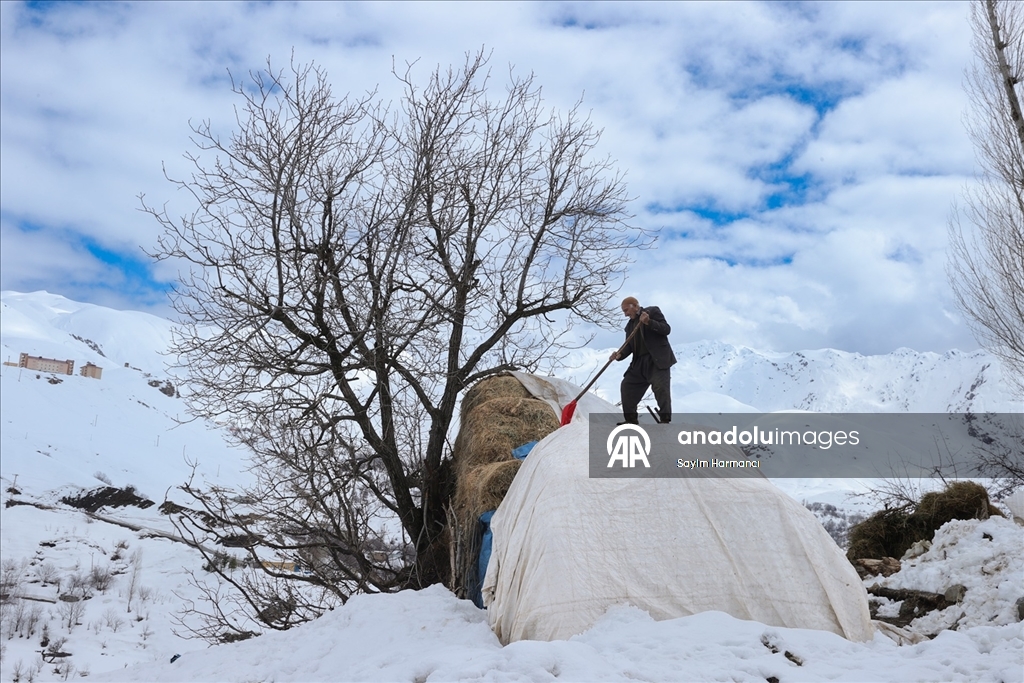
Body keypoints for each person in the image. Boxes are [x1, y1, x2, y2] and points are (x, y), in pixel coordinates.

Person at [610, 297, 676, 424]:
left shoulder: (652, 312)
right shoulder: (629, 326)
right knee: (627, 386)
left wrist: (649, 322)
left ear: (635, 306)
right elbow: (628, 346)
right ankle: (631, 420)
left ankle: (665, 420)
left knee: (661, 388)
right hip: (639, 362)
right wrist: (619, 355)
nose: (625, 314)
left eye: (626, 310)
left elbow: (666, 329)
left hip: (656, 360)